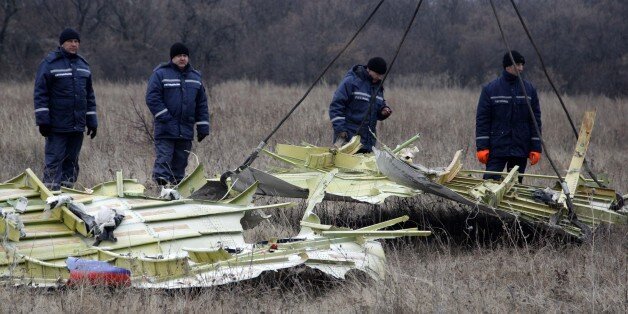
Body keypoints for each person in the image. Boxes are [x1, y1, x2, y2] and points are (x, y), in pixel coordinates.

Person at [34, 28, 98, 191]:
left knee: (72, 161)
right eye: (70, 41)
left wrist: (92, 120)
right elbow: (41, 93)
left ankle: (68, 195)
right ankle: (51, 196)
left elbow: (89, 95)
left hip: (77, 125)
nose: (74, 44)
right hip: (56, 125)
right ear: (62, 43)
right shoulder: (49, 64)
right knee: (54, 161)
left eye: (76, 41)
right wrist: (43, 121)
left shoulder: (83, 65)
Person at [146, 43, 209, 186]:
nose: (182, 58)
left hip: (186, 129)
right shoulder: (160, 74)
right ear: (172, 57)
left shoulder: (195, 77)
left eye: (185, 56)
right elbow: (152, 98)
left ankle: (176, 189)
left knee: (181, 162)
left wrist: (203, 126)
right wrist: (166, 118)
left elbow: (202, 104)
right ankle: (161, 189)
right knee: (164, 159)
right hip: (166, 129)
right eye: (179, 56)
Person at [475, 50, 542, 183]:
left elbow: (535, 121)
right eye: (518, 64)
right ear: (508, 66)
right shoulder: (490, 89)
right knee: (489, 184)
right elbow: (482, 120)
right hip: (497, 147)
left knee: (515, 186)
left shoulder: (529, 90)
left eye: (522, 65)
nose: (521, 68)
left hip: (520, 148)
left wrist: (536, 147)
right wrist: (482, 147)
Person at [329, 57, 392, 153]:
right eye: (377, 74)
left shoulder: (378, 87)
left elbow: (378, 108)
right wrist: (340, 129)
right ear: (369, 69)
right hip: (347, 140)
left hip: (368, 143)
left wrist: (383, 111)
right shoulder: (351, 82)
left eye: (381, 75)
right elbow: (336, 106)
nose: (379, 78)